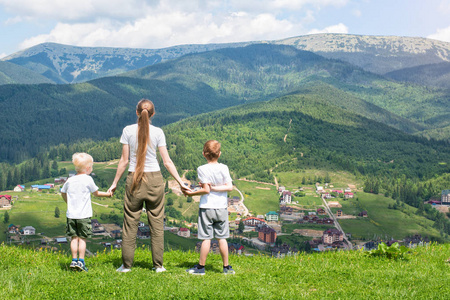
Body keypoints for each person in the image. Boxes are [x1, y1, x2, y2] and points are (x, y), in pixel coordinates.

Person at [108, 99, 188, 273]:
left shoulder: (127, 131)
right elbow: (167, 162)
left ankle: (126, 266)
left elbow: (124, 161)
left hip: (133, 180)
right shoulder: (158, 132)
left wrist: (114, 184)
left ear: (137, 112)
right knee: (157, 224)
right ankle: (158, 266)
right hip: (155, 181)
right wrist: (181, 183)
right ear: (153, 114)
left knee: (130, 224)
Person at [184, 140, 235, 275]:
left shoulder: (202, 169)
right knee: (222, 237)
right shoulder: (224, 167)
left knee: (206, 238)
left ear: (203, 154)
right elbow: (229, 187)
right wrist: (215, 188)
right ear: (219, 154)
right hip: (222, 207)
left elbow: (206, 190)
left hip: (207, 207)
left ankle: (201, 268)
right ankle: (226, 267)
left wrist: (191, 193)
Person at [61, 152, 112, 272]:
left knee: (74, 238)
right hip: (83, 215)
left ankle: (73, 260)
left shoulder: (70, 180)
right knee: (82, 238)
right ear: (88, 168)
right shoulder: (88, 179)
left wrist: (68, 202)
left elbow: (63, 192)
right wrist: (108, 194)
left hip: (71, 215)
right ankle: (81, 261)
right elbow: (96, 193)